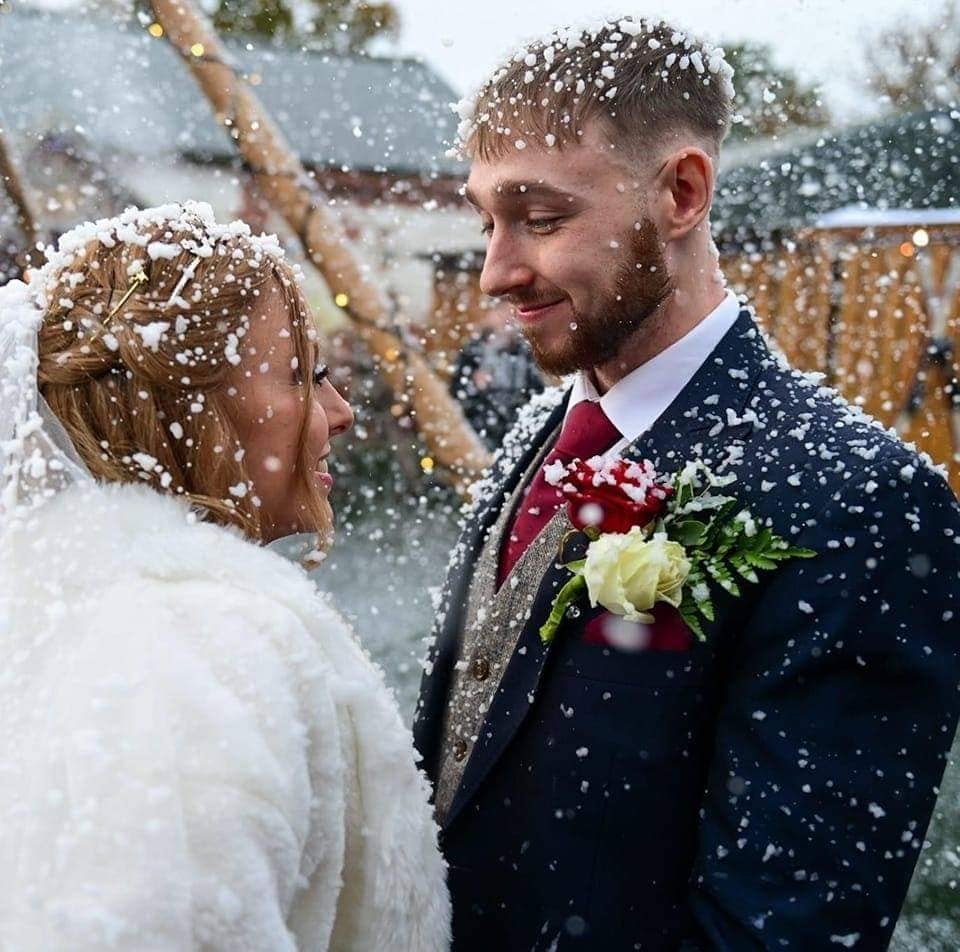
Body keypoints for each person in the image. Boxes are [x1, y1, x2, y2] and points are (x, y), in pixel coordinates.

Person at [414, 16, 960, 950]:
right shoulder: (539, 432)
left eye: (541, 220)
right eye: (486, 222)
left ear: (681, 192)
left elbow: (781, 928)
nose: (496, 273)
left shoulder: (862, 499)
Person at [0, 202, 450, 950]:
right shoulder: (197, 650)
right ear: (186, 406)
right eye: (304, 375)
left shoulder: (71, 608)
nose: (340, 412)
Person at [450, 301, 543, 449]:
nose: (506, 319)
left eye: (512, 313)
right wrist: (474, 384)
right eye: (501, 312)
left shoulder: (525, 352)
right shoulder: (473, 351)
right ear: (490, 315)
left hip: (517, 431)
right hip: (480, 430)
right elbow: (457, 392)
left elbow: (537, 391)